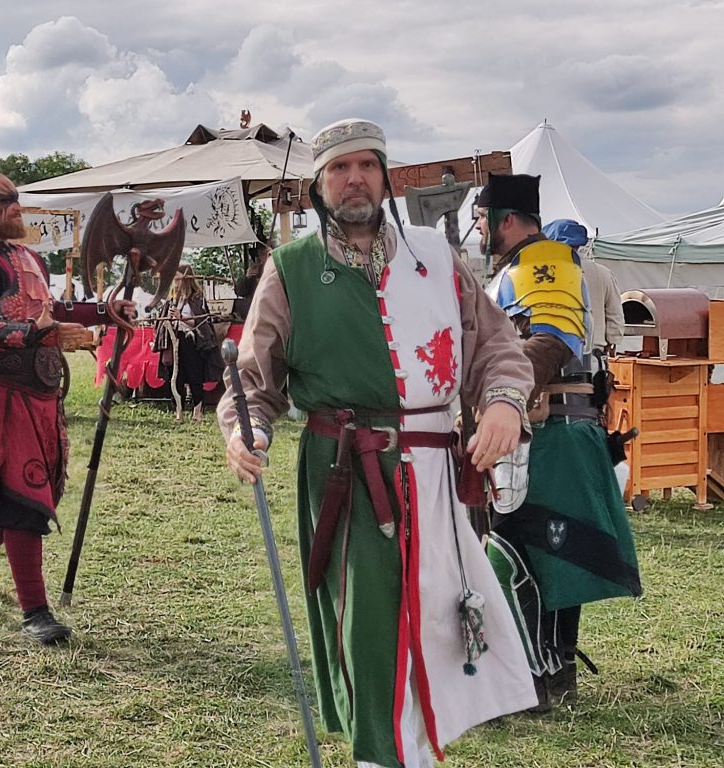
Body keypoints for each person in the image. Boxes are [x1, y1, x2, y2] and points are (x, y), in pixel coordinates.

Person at [218, 118, 538, 768]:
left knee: (440, 623)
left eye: (367, 164)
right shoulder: (292, 270)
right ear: (318, 184)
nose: (354, 178)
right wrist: (246, 427)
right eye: (339, 167)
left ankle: (409, 753)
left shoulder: (436, 257)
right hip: (347, 474)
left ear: (385, 175)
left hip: (438, 475)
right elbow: (254, 376)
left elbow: (497, 346)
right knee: (370, 632)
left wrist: (503, 402)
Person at [0, 171, 134, 646]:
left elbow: (48, 311)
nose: (17, 207)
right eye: (5, 201)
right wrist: (40, 335)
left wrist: (105, 313)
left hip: (37, 391)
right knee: (22, 495)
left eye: (18, 199)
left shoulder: (24, 256)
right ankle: (35, 612)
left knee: (36, 493)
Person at [476, 175, 642, 712]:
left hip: (548, 430)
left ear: (506, 219)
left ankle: (539, 678)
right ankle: (544, 674)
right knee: (539, 550)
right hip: (542, 429)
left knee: (533, 551)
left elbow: (548, 341)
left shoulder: (541, 264)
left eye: (482, 218)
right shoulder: (516, 268)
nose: (478, 228)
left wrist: (501, 398)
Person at [542, 219, 624, 356]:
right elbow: (615, 315)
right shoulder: (603, 273)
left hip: (554, 355)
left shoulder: (543, 274)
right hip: (593, 354)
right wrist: (611, 342)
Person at [155, 264, 219, 422]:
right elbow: (163, 322)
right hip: (175, 341)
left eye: (178, 279)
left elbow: (202, 323)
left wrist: (181, 317)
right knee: (176, 377)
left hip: (192, 341)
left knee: (194, 376)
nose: (175, 282)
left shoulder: (197, 299)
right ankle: (179, 410)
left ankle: (197, 411)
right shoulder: (172, 298)